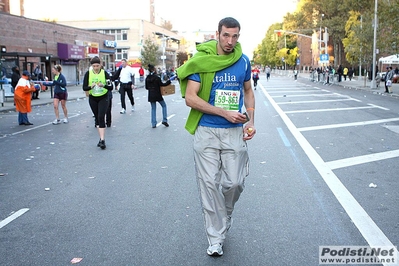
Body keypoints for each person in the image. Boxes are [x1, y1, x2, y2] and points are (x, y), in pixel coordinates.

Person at [176, 17, 256, 257]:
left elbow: (248, 90)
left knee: (234, 183)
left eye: (235, 36)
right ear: (217, 34)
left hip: (234, 133)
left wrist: (251, 120)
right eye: (225, 35)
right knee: (209, 185)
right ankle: (215, 238)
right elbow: (191, 97)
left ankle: (226, 213)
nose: (230, 41)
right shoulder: (202, 61)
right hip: (207, 131)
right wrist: (223, 113)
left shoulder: (242, 61)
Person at [82, 56, 113, 149]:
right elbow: (84, 87)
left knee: (101, 117)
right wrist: (90, 87)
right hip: (93, 98)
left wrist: (103, 85)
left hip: (103, 97)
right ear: (91, 66)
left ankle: (103, 140)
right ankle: (100, 138)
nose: (96, 68)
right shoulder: (88, 74)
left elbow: (110, 87)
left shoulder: (105, 73)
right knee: (97, 118)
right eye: (94, 66)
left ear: (100, 65)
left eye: (97, 65)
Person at [145, 64, 172, 128]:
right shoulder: (157, 78)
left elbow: (146, 87)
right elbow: (162, 84)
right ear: (154, 70)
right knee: (164, 105)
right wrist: (168, 82)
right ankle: (164, 119)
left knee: (153, 108)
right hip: (157, 94)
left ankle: (153, 123)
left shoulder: (147, 78)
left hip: (151, 95)